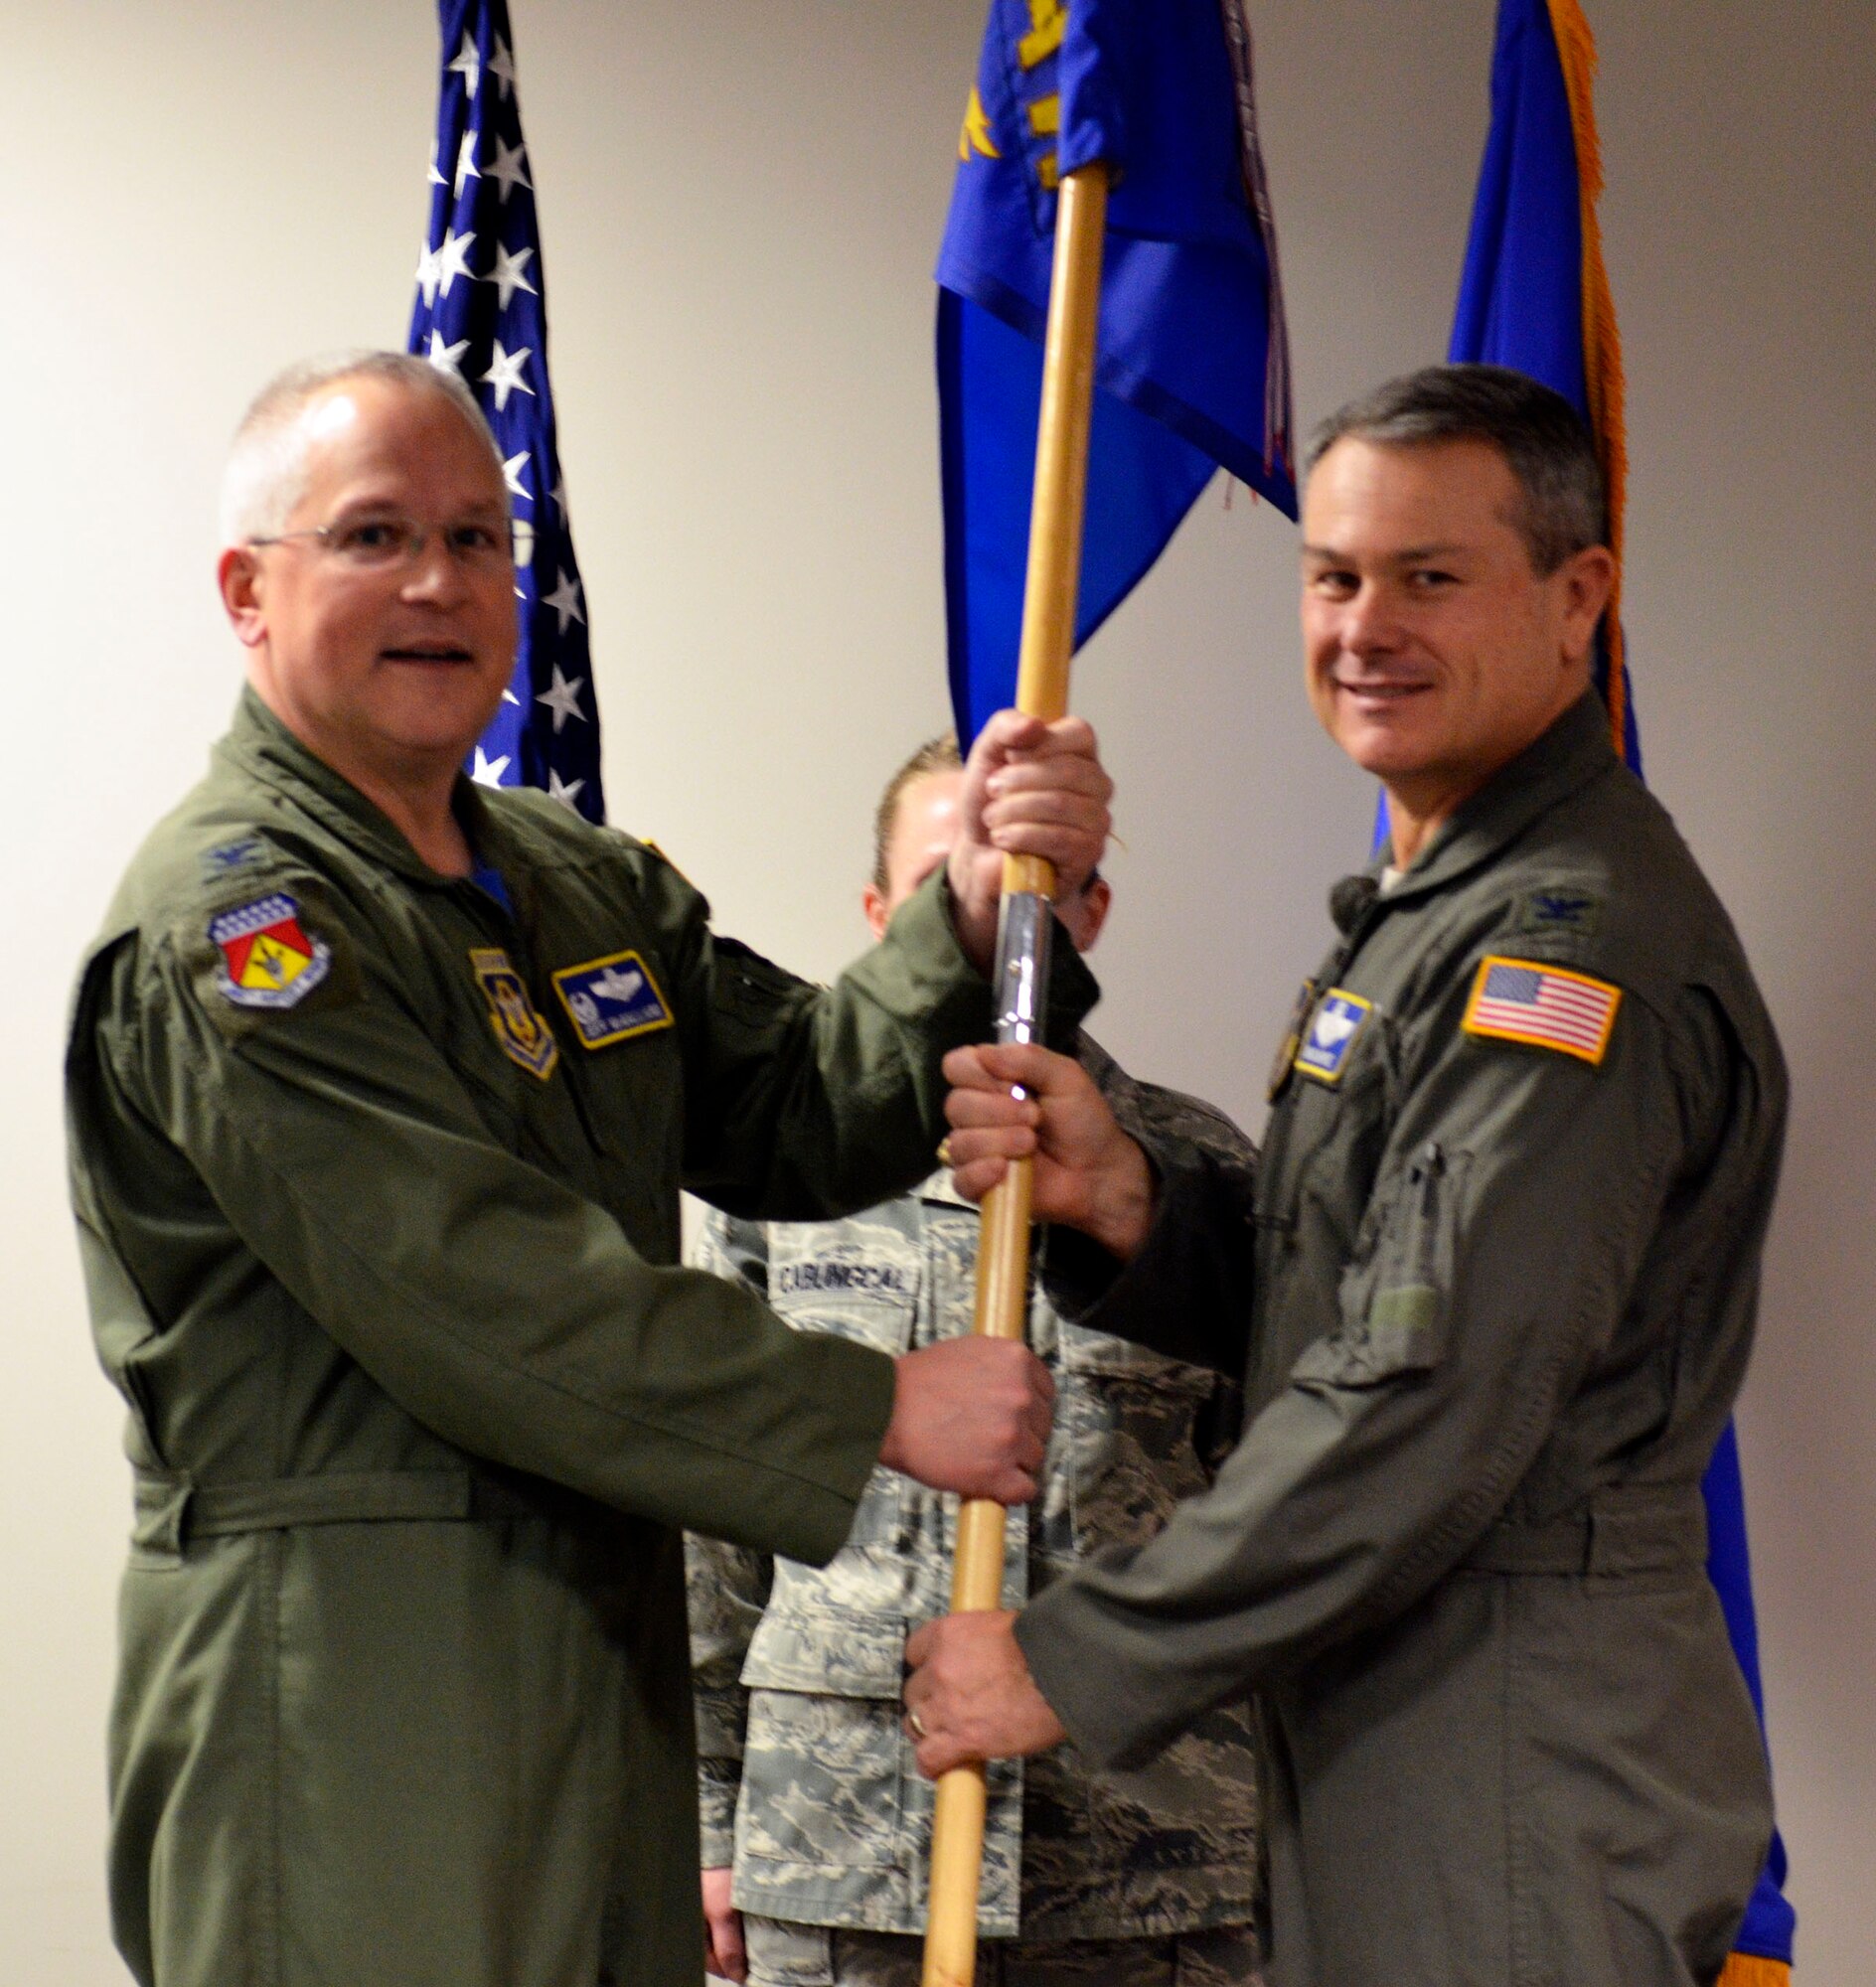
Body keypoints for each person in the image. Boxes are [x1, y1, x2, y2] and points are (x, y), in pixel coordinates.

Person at [64, 349, 1114, 1987]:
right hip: (353, 1702)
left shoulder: (570, 879)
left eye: (482, 537)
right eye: (373, 536)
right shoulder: (241, 925)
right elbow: (475, 1290)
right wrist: (874, 1409)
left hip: (586, 1678)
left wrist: (964, 914)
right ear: (245, 592)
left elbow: (796, 1106)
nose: (442, 583)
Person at [905, 365, 1788, 1987]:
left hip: (1511, 1733)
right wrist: (1137, 1207)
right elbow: (1352, 1294)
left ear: (1575, 594)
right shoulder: (1438, 909)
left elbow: (1423, 1394)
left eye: (1426, 577)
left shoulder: (1563, 949)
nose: (1360, 627)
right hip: (1400, 1701)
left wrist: (1075, 1655)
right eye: (1331, 575)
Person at [686, 735, 1264, 1987]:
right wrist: (707, 1807)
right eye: (951, 886)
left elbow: (1289, 1509)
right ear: (884, 912)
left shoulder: (1191, 1175)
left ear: (1091, 911)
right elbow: (710, 1525)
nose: (998, 921)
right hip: (844, 1848)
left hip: (1148, 1862)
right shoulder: (783, 1185)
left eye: (1033, 890)